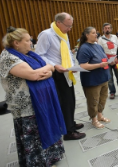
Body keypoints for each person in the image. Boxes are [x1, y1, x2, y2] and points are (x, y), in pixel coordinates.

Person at [0, 27, 66, 166]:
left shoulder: (30, 54)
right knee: (35, 134)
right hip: (26, 106)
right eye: (28, 40)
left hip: (42, 100)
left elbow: (50, 67)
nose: (31, 43)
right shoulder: (8, 58)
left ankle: (51, 157)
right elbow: (33, 75)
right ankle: (37, 162)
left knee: (47, 127)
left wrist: (48, 70)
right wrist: (45, 71)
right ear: (16, 43)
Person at [36, 12, 86, 140]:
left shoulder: (63, 35)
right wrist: (55, 65)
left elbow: (68, 52)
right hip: (56, 74)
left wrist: (72, 65)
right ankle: (68, 132)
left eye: (71, 26)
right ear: (58, 23)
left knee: (71, 100)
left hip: (66, 72)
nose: (69, 29)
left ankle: (71, 123)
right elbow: (40, 55)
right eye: (68, 26)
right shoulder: (46, 35)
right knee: (64, 102)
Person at [76, 27, 111, 129]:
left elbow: (103, 58)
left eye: (96, 33)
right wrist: (100, 65)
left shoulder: (98, 46)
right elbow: (83, 66)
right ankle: (94, 119)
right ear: (87, 35)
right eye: (93, 33)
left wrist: (110, 60)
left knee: (102, 99)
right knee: (93, 101)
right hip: (92, 80)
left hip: (103, 77)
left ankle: (100, 116)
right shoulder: (84, 48)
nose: (96, 34)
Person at [98, 23, 118, 99]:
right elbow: (100, 51)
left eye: (109, 28)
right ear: (103, 29)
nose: (107, 29)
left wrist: (117, 57)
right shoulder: (100, 39)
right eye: (106, 28)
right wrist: (108, 60)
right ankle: (112, 92)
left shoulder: (114, 37)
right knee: (109, 78)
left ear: (111, 29)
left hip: (116, 59)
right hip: (107, 60)